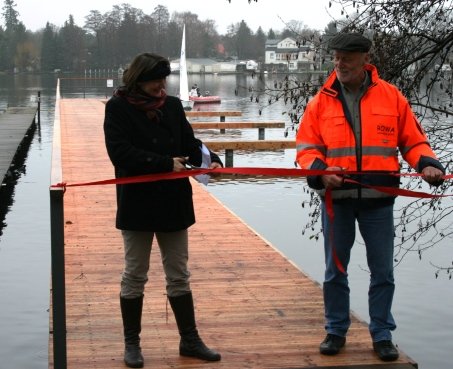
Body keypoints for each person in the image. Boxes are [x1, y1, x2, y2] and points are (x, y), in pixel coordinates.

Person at [295, 33, 445, 361]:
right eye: (336, 57)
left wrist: (427, 164)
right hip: (338, 201)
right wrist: (320, 171)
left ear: (365, 58)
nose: (340, 63)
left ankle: (382, 334)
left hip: (379, 200)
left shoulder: (391, 97)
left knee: (383, 272)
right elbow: (306, 148)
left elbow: (413, 141)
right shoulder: (320, 101)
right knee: (335, 270)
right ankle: (335, 330)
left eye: (347, 57)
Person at [104, 52, 223, 368]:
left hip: (173, 204)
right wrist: (162, 163)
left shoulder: (171, 106)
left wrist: (210, 158)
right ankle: (132, 344)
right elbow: (120, 152)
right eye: (157, 80)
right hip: (137, 204)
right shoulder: (117, 108)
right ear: (139, 80)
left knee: (179, 275)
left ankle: (190, 340)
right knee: (134, 275)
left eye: (164, 79)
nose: (162, 86)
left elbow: (188, 142)